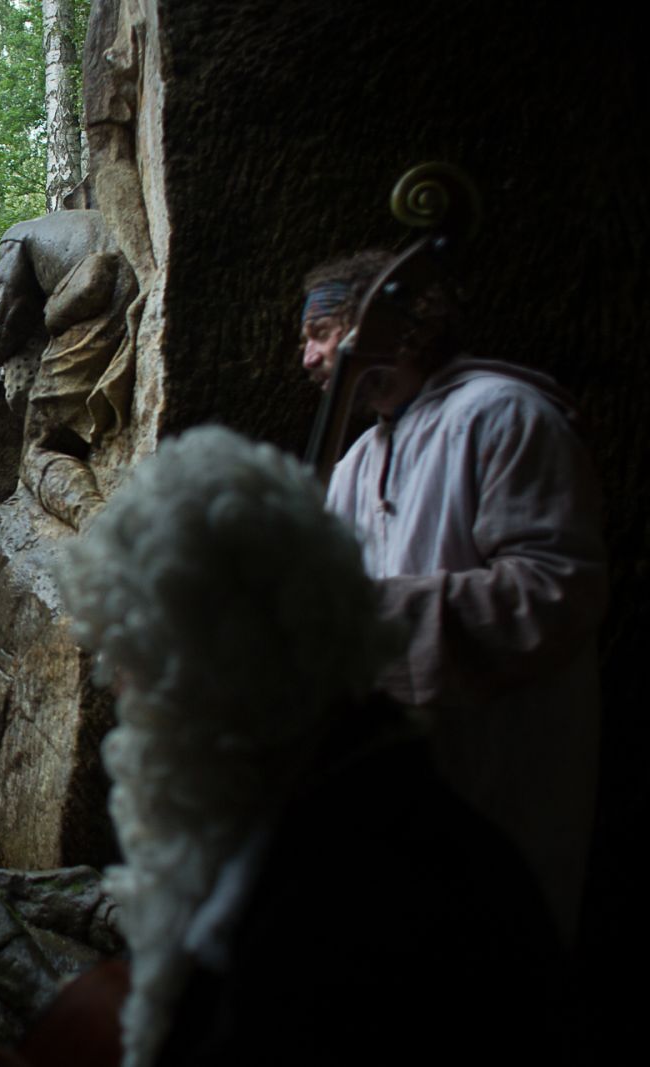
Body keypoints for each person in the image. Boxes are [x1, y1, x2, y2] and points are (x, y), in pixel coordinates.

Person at [62, 426, 565, 1067]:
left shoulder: (354, 906)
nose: (121, 697)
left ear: (208, 669)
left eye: (134, 667)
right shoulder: (333, 806)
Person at [302, 252, 607, 948]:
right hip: (398, 779)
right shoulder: (356, 461)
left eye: (320, 333)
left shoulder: (504, 415)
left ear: (393, 327)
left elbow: (554, 591)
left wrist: (366, 620)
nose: (309, 357)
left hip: (495, 765)